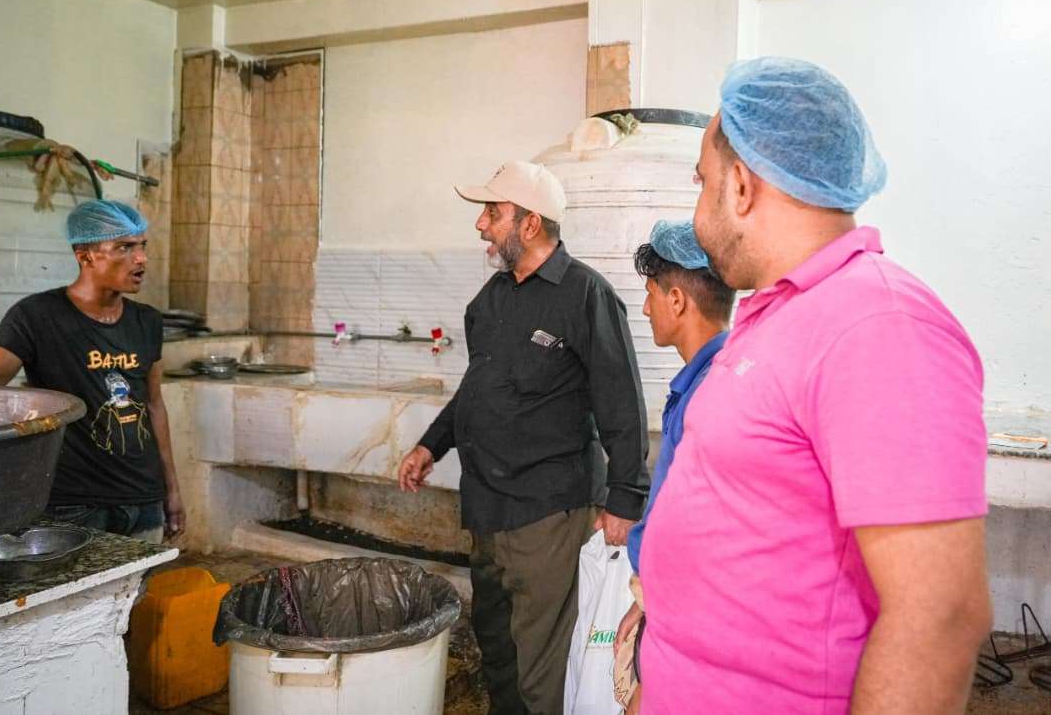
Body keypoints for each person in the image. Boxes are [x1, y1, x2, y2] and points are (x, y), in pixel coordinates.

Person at [638, 57, 991, 713]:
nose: (699, 205)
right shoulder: (780, 315)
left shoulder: (876, 326)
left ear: (740, 186)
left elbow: (939, 618)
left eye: (703, 181)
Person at [397, 160, 650, 715]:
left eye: (493, 213)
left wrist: (625, 500)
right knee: (497, 646)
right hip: (487, 508)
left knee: (541, 663)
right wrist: (430, 444)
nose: (481, 225)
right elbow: (478, 388)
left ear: (530, 224)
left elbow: (622, 404)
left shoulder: (585, 295)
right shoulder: (490, 300)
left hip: (547, 511)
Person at [0, 200, 185, 543]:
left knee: (140, 580)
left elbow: (154, 405)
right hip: (73, 503)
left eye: (142, 246)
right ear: (85, 256)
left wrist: (171, 489)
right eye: (125, 247)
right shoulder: (35, 316)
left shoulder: (147, 321)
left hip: (143, 499)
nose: (141, 259)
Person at [611, 220, 734, 714]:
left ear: (677, 300)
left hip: (687, 627)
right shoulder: (710, 379)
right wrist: (643, 601)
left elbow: (695, 535)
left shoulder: (710, 395)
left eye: (651, 294)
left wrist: (661, 640)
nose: (646, 308)